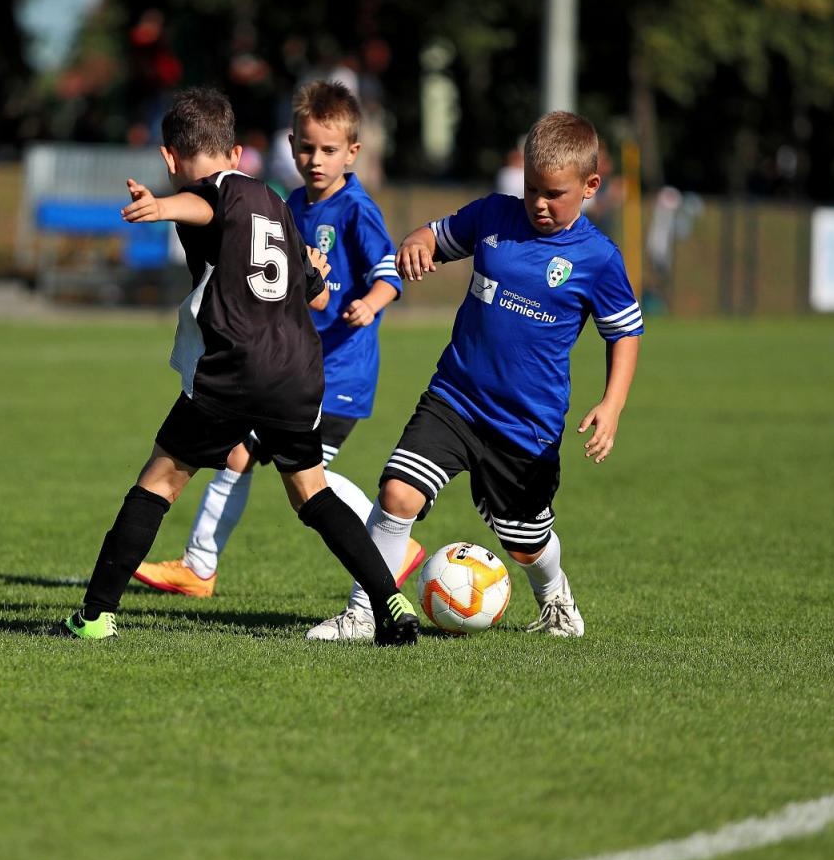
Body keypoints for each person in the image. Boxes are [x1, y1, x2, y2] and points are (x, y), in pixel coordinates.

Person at [62, 87, 419, 646]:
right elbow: (318, 298)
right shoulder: (279, 204)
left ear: (169, 157)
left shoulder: (212, 192)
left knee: (158, 480)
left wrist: (161, 205)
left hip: (235, 371)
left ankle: (95, 615)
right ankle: (388, 600)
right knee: (311, 492)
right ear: (234, 151)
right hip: (298, 372)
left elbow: (205, 204)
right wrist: (317, 273)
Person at [308, 110, 642, 641]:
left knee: (524, 543)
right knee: (397, 493)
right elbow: (433, 237)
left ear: (590, 186)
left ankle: (554, 594)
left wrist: (613, 403)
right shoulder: (492, 216)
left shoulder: (598, 260)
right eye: (532, 188)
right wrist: (416, 244)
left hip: (525, 426)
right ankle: (365, 613)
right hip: (455, 397)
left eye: (554, 193)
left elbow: (624, 332)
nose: (539, 203)